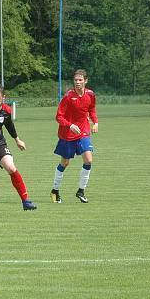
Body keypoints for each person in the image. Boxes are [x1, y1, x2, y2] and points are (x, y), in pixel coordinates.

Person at [51, 69, 98, 204]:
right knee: (65, 163)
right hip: (67, 135)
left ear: (85, 81)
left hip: (83, 131)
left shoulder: (90, 94)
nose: (77, 82)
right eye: (76, 80)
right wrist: (70, 125)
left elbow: (92, 109)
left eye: (80, 80)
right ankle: (55, 190)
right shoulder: (68, 97)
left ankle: (81, 191)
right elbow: (58, 117)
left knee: (88, 160)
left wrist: (95, 122)